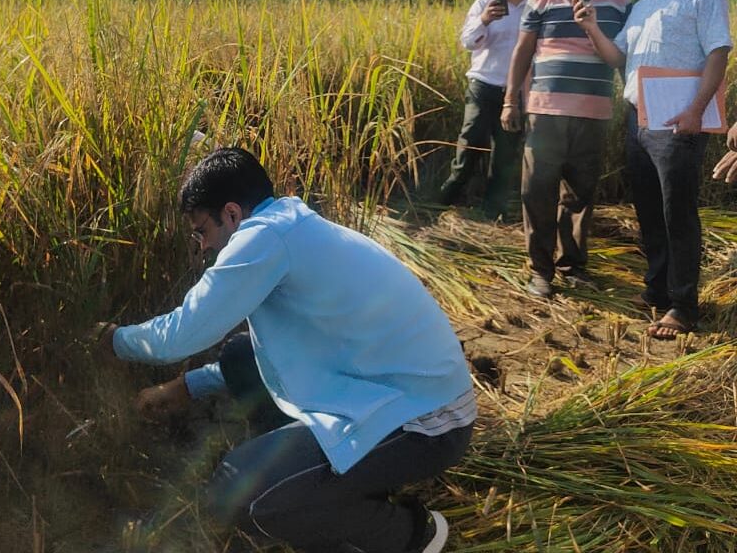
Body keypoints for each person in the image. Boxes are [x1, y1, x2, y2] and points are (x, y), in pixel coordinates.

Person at [97, 147, 476, 553]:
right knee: (239, 355)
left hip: (428, 421)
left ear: (230, 213)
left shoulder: (263, 238)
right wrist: (187, 386)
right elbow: (281, 356)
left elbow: (181, 333)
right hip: (392, 393)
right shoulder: (288, 225)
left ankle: (410, 533)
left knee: (239, 489)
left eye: (201, 230)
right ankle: (319, 484)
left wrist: (113, 339)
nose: (203, 246)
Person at [573, 0, 732, 339]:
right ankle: (658, 290)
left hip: (679, 123)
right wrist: (589, 26)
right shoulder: (642, 5)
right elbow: (617, 59)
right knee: (648, 210)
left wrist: (697, 109)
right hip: (639, 120)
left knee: (676, 212)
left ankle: (683, 307)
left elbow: (718, 52)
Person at [500, 0, 631, 298]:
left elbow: (625, 54)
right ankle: (540, 270)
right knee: (537, 191)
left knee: (580, 194)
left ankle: (572, 265)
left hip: (593, 113)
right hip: (545, 112)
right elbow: (522, 52)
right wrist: (511, 100)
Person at [439, 0, 533, 220]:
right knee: (470, 143)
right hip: (483, 85)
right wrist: (484, 20)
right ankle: (446, 200)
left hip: (515, 92)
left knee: (505, 154)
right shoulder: (483, 4)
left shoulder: (536, 5)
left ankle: (492, 212)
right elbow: (467, 42)